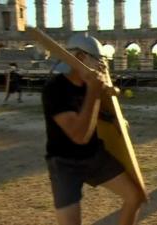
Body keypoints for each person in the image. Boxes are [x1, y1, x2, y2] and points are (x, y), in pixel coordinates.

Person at [41, 33, 144, 225]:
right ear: (80, 58)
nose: (101, 66)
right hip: (64, 163)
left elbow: (94, 112)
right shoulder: (55, 89)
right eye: (96, 60)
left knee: (135, 197)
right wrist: (94, 92)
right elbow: (79, 135)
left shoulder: (85, 84)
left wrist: (112, 118)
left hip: (93, 155)